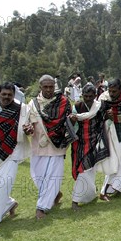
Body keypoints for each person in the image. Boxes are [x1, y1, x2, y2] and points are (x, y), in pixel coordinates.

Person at [26, 75, 76, 219]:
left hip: (57, 144)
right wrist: (28, 127)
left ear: (54, 87)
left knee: (53, 176)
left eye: (51, 87)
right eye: (45, 87)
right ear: (40, 87)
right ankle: (55, 193)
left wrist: (72, 121)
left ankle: (41, 208)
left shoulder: (64, 102)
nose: (48, 90)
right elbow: (27, 121)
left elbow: (70, 120)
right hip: (38, 144)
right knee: (38, 177)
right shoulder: (33, 104)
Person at [0, 82, 29, 230]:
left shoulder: (21, 109)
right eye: (4, 94)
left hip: (12, 152)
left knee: (1, 183)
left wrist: (27, 129)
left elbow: (26, 127)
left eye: (10, 95)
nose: (6, 97)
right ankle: (9, 203)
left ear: (13, 95)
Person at [69, 84, 108, 210]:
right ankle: (90, 194)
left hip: (94, 143)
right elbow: (71, 127)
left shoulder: (99, 106)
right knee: (83, 169)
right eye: (85, 96)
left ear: (95, 96)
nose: (88, 99)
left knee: (84, 169)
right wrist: (73, 121)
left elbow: (104, 121)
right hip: (79, 143)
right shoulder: (77, 107)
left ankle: (75, 201)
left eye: (91, 96)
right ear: (82, 96)